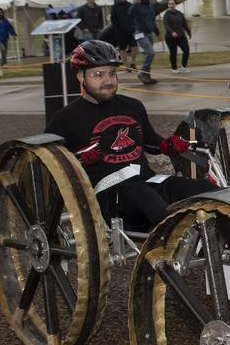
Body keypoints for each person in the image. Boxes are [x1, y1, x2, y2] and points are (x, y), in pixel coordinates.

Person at [44, 40, 214, 228]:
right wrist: (76, 160)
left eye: (112, 73)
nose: (108, 81)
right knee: (146, 198)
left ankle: (210, 249)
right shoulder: (64, 118)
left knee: (206, 190)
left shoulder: (133, 106)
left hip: (147, 180)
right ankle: (171, 249)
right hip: (108, 194)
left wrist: (167, 144)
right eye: (98, 75)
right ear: (80, 77)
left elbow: (150, 142)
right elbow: (50, 167)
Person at [131, 0, 159, 84]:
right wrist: (135, 3)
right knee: (150, 53)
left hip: (149, 33)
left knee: (149, 54)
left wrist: (157, 32)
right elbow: (130, 13)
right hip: (140, 32)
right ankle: (142, 73)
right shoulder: (137, 4)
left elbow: (152, 20)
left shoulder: (150, 6)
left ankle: (147, 77)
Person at [161, 0, 191, 73]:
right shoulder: (166, 15)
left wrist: (189, 32)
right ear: (168, 5)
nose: (171, 5)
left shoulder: (180, 13)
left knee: (186, 50)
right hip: (170, 38)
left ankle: (184, 66)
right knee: (173, 53)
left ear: (175, 5)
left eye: (172, 4)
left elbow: (184, 24)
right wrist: (172, 32)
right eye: (169, 4)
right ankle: (174, 68)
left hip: (181, 36)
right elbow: (166, 25)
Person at [108, 0, 136, 69]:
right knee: (122, 48)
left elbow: (133, 17)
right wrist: (118, 28)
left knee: (135, 46)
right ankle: (127, 66)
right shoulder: (115, 6)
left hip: (130, 30)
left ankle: (132, 62)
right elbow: (113, 19)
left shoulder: (129, 5)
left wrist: (133, 26)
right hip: (120, 31)